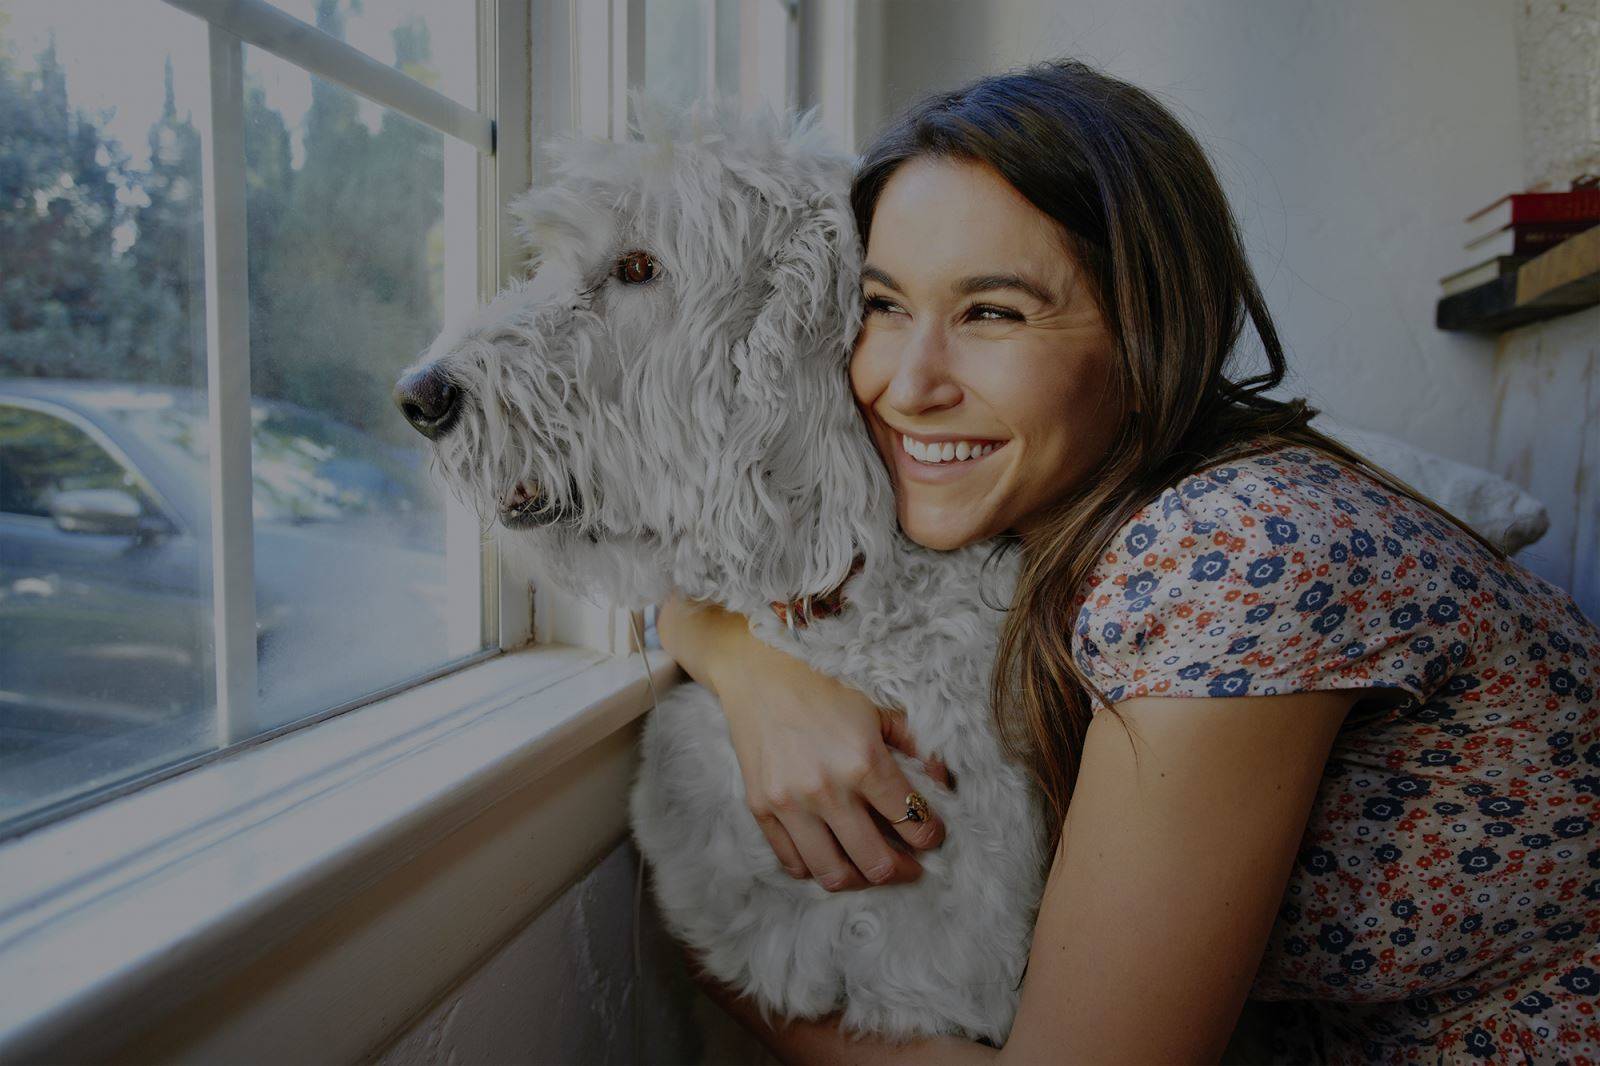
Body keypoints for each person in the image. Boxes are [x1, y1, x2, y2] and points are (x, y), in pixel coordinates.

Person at [656, 57, 1600, 1064]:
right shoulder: (1005, 500)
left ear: (1148, 334)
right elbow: (683, 564)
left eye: (992, 312)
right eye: (885, 304)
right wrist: (755, 676)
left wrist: (733, 965)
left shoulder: (1228, 556)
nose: (906, 381)